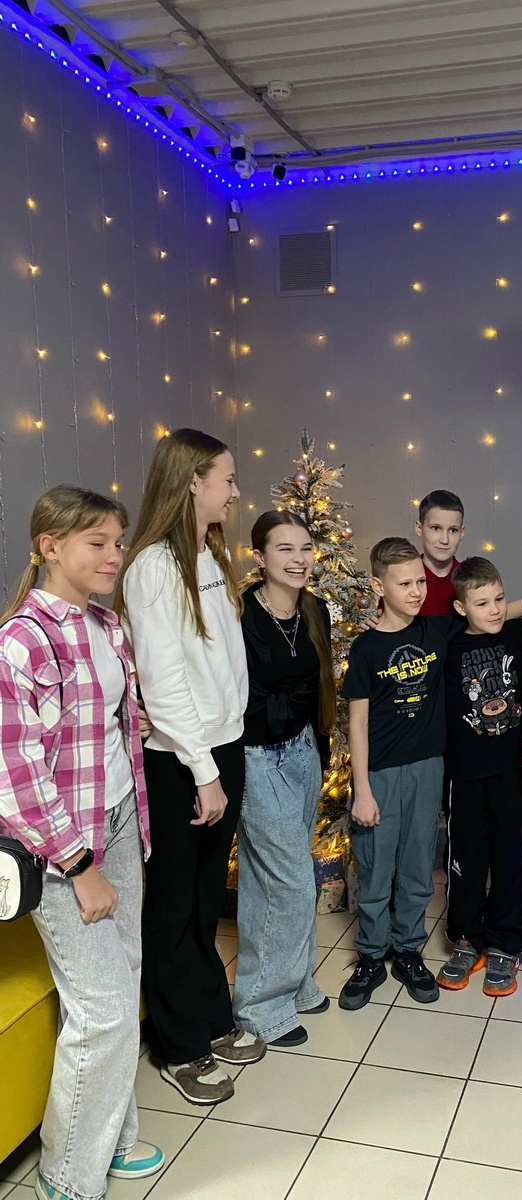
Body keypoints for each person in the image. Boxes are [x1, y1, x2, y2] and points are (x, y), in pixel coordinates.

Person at [0, 485, 163, 1200]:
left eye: (118, 542)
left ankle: (115, 1138)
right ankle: (66, 1175)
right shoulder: (21, 641)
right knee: (103, 1011)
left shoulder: (107, 624)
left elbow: (109, 729)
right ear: (50, 547)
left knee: (122, 983)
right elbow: (15, 774)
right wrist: (78, 863)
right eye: (97, 542)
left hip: (120, 818)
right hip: (64, 847)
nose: (113, 555)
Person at [117, 429, 262, 1106]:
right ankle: (176, 1044)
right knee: (175, 902)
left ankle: (209, 1016)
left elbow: (220, 664)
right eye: (226, 479)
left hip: (220, 746)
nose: (234, 491)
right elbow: (165, 679)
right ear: (192, 482)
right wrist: (203, 770)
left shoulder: (209, 553)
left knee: (207, 898)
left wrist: (225, 751)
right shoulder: (152, 567)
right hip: (181, 760)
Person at [233, 511, 336, 1046]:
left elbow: (319, 684)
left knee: (266, 877)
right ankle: (259, 1006)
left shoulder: (314, 610)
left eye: (305, 549)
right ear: (260, 557)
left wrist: (319, 745)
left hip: (302, 750)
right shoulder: (239, 613)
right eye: (284, 549)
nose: (298, 560)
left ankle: (295, 983)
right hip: (255, 756)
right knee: (292, 880)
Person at [339, 537, 452, 1009]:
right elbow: (357, 723)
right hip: (380, 774)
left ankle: (408, 950)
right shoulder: (366, 648)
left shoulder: (437, 631)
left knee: (417, 865)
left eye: (420, 581)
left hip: (427, 768)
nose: (416, 591)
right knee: (375, 866)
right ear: (378, 586)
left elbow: (493, 609)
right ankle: (370, 956)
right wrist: (362, 790)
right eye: (404, 583)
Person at [437, 557, 522, 997]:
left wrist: (510, 606)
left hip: (512, 771)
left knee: (511, 857)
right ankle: (466, 936)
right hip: (465, 774)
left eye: (499, 599)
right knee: (466, 858)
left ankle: (505, 944)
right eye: (481, 603)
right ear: (461, 608)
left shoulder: (518, 632)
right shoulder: (448, 643)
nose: (493, 610)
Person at [415, 490, 465, 616]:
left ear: (462, 532)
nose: (444, 540)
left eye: (453, 530)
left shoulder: (470, 580)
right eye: (436, 528)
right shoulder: (404, 579)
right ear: (419, 529)